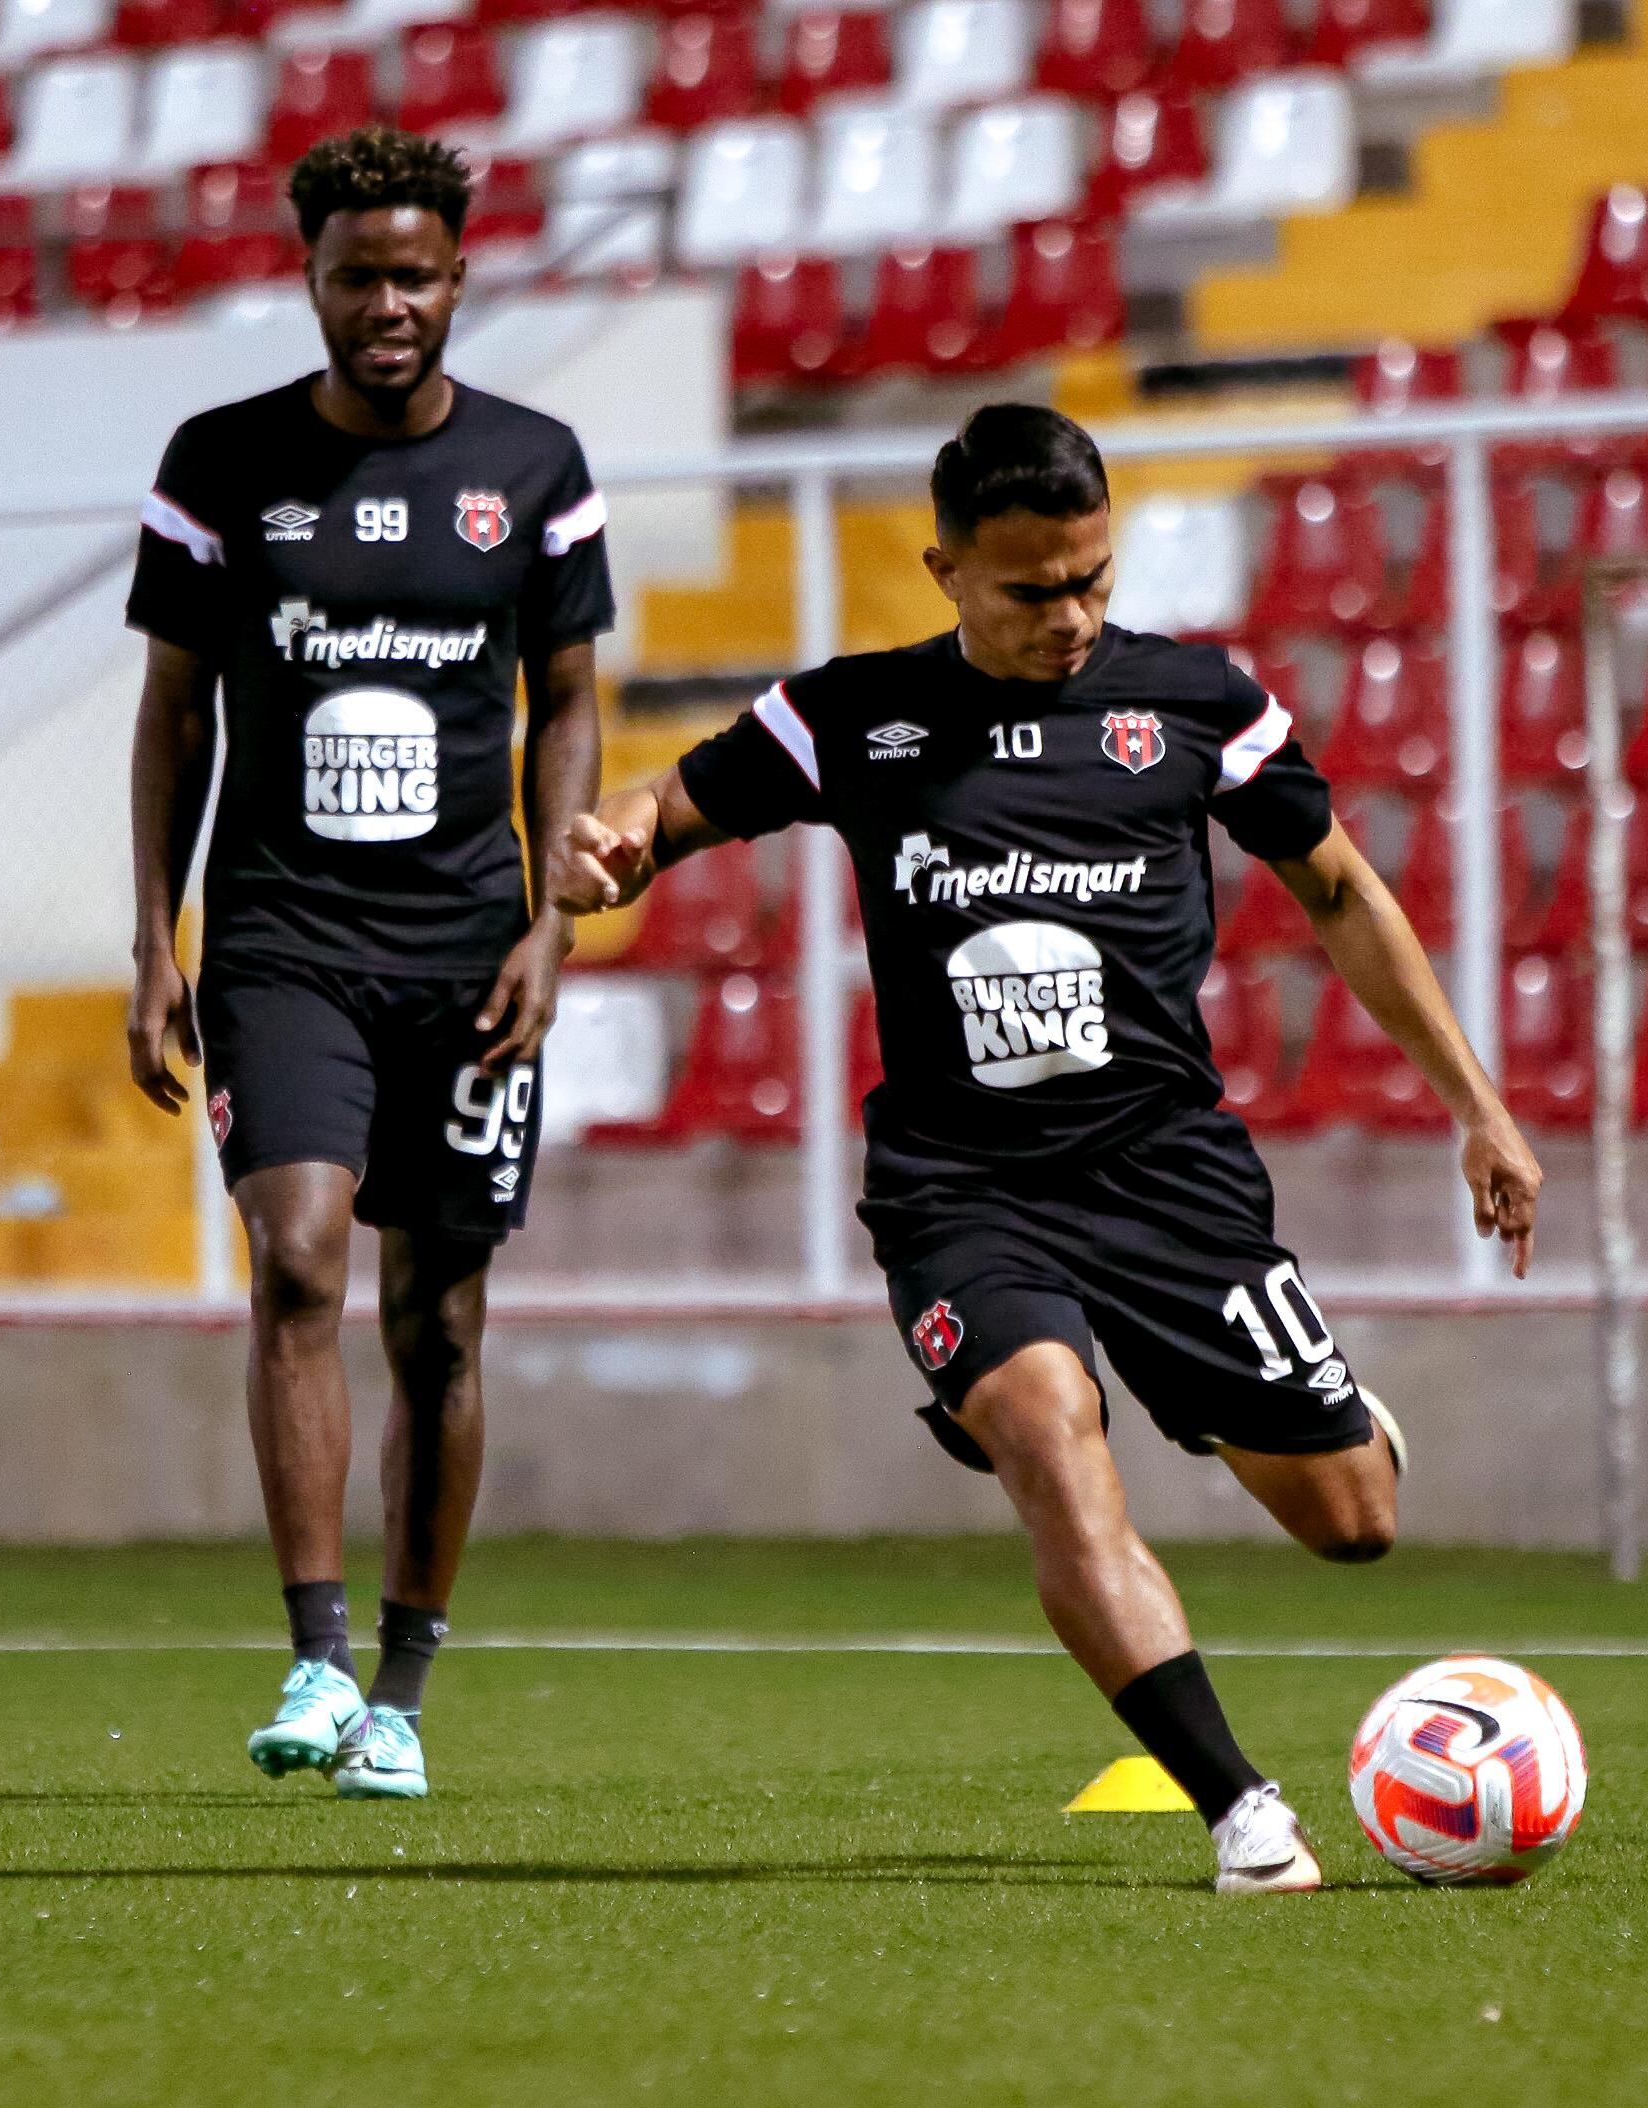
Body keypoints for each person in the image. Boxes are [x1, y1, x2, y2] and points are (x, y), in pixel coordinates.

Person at [546, 405, 1542, 1892]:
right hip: (962, 1189)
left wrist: (1477, 1103)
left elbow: (1336, 894)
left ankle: (1229, 1393)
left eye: (1091, 578)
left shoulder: (1197, 706)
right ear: (944, 567)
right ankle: (1241, 1813)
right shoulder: (852, 717)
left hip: (1164, 1179)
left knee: (1353, 1526)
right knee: (1045, 1435)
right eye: (1030, 590)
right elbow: (664, 808)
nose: (1070, 616)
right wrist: (606, 835)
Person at [124, 127, 612, 1802]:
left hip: (469, 952)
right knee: (297, 1262)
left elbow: (571, 707)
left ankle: (403, 1689)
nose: (387, 302)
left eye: (414, 274)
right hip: (281, 940)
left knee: (442, 1322)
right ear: (309, 280)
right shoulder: (218, 463)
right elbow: (175, 715)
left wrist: (552, 918)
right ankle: (315, 1660)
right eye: (356, 276)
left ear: (459, 276)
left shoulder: (536, 468)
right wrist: (153, 939)